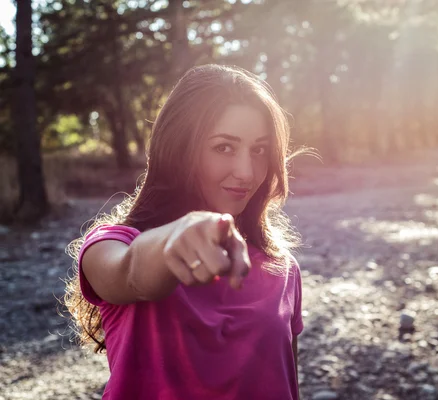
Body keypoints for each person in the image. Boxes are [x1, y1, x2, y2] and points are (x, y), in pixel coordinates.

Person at [64, 64, 305, 400]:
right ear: (179, 151)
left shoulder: (282, 268)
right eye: (224, 147)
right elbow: (130, 273)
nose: (247, 172)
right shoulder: (111, 245)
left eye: (259, 150)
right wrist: (175, 240)